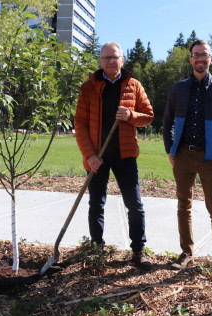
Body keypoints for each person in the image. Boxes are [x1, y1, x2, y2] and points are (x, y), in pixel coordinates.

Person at [163, 40, 212, 276]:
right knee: (183, 205)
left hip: (211, 157)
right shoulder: (179, 88)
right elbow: (166, 122)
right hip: (183, 155)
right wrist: (170, 150)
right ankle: (186, 253)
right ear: (190, 59)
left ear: (211, 59)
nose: (200, 59)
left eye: (204, 55)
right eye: (196, 55)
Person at [74, 41, 154, 271]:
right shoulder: (88, 87)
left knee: (135, 205)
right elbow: (79, 123)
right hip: (96, 157)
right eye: (106, 57)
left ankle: (139, 249)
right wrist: (89, 155)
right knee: (96, 204)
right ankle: (96, 250)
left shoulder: (133, 85)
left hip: (125, 155)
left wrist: (130, 115)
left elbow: (148, 116)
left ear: (122, 59)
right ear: (100, 61)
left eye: (114, 57)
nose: (110, 61)